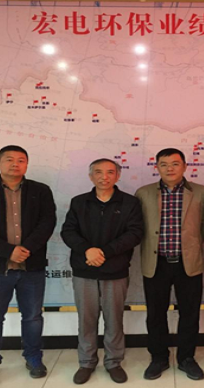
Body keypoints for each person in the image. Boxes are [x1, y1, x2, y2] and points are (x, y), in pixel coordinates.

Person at [0, 145, 57, 386]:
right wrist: (9, 252)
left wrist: (25, 250)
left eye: (21, 160)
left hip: (32, 267)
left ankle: (33, 357)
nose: (15, 164)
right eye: (9, 159)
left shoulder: (41, 191)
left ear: (26, 164)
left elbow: (47, 223)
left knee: (33, 317)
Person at [61, 158, 143, 385]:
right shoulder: (79, 202)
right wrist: (87, 250)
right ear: (91, 176)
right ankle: (86, 362)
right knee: (86, 319)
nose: (104, 177)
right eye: (98, 172)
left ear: (118, 176)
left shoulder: (130, 203)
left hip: (115, 270)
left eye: (109, 172)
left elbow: (134, 234)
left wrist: (103, 252)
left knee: (114, 319)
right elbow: (68, 232)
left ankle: (113, 362)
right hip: (84, 270)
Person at [135, 148, 204, 381]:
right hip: (156, 263)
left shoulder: (200, 192)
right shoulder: (143, 193)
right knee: (156, 314)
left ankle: (186, 358)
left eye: (175, 164)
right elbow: (138, 227)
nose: (170, 168)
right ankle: (159, 358)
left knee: (190, 313)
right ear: (157, 167)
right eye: (164, 164)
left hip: (188, 263)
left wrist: (189, 246)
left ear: (185, 166)